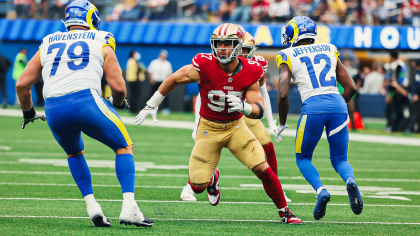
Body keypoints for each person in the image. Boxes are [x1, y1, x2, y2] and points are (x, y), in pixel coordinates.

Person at [135, 23, 302, 224]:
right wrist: (152, 104)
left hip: (235, 127)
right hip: (209, 128)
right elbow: (175, 78)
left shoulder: (251, 69)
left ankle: (285, 211)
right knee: (197, 185)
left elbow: (258, 108)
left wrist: (245, 107)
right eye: (218, 43)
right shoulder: (204, 64)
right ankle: (213, 178)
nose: (222, 48)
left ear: (239, 46)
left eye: (228, 43)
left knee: (261, 167)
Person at [15, 0, 153, 228]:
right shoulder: (102, 38)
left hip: (54, 108)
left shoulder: (48, 42)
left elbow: (22, 85)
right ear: (91, 19)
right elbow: (118, 88)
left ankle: (92, 206)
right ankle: (130, 207)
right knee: (123, 146)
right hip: (86, 101)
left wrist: (28, 112)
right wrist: (117, 103)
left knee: (74, 153)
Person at [180, 32, 291, 203]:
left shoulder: (257, 64)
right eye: (243, 49)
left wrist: (270, 122)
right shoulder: (219, 63)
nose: (244, 54)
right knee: (205, 151)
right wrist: (197, 124)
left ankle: (278, 189)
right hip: (220, 113)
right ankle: (192, 185)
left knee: (267, 145)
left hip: (247, 112)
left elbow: (263, 94)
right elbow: (204, 96)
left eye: (248, 50)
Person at [275, 16, 361, 221]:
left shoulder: (286, 54)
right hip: (338, 104)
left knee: (303, 158)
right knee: (340, 159)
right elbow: (351, 87)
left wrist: (282, 122)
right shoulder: (329, 48)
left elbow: (283, 93)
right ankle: (350, 180)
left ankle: (321, 190)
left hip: (313, 106)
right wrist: (337, 107)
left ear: (294, 33)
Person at [384, 50, 410, 132]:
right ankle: (393, 125)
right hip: (394, 90)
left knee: (396, 108)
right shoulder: (399, 65)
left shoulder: (399, 65)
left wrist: (397, 86)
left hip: (398, 90)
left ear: (391, 57)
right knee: (392, 106)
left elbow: (399, 78)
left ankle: (394, 125)